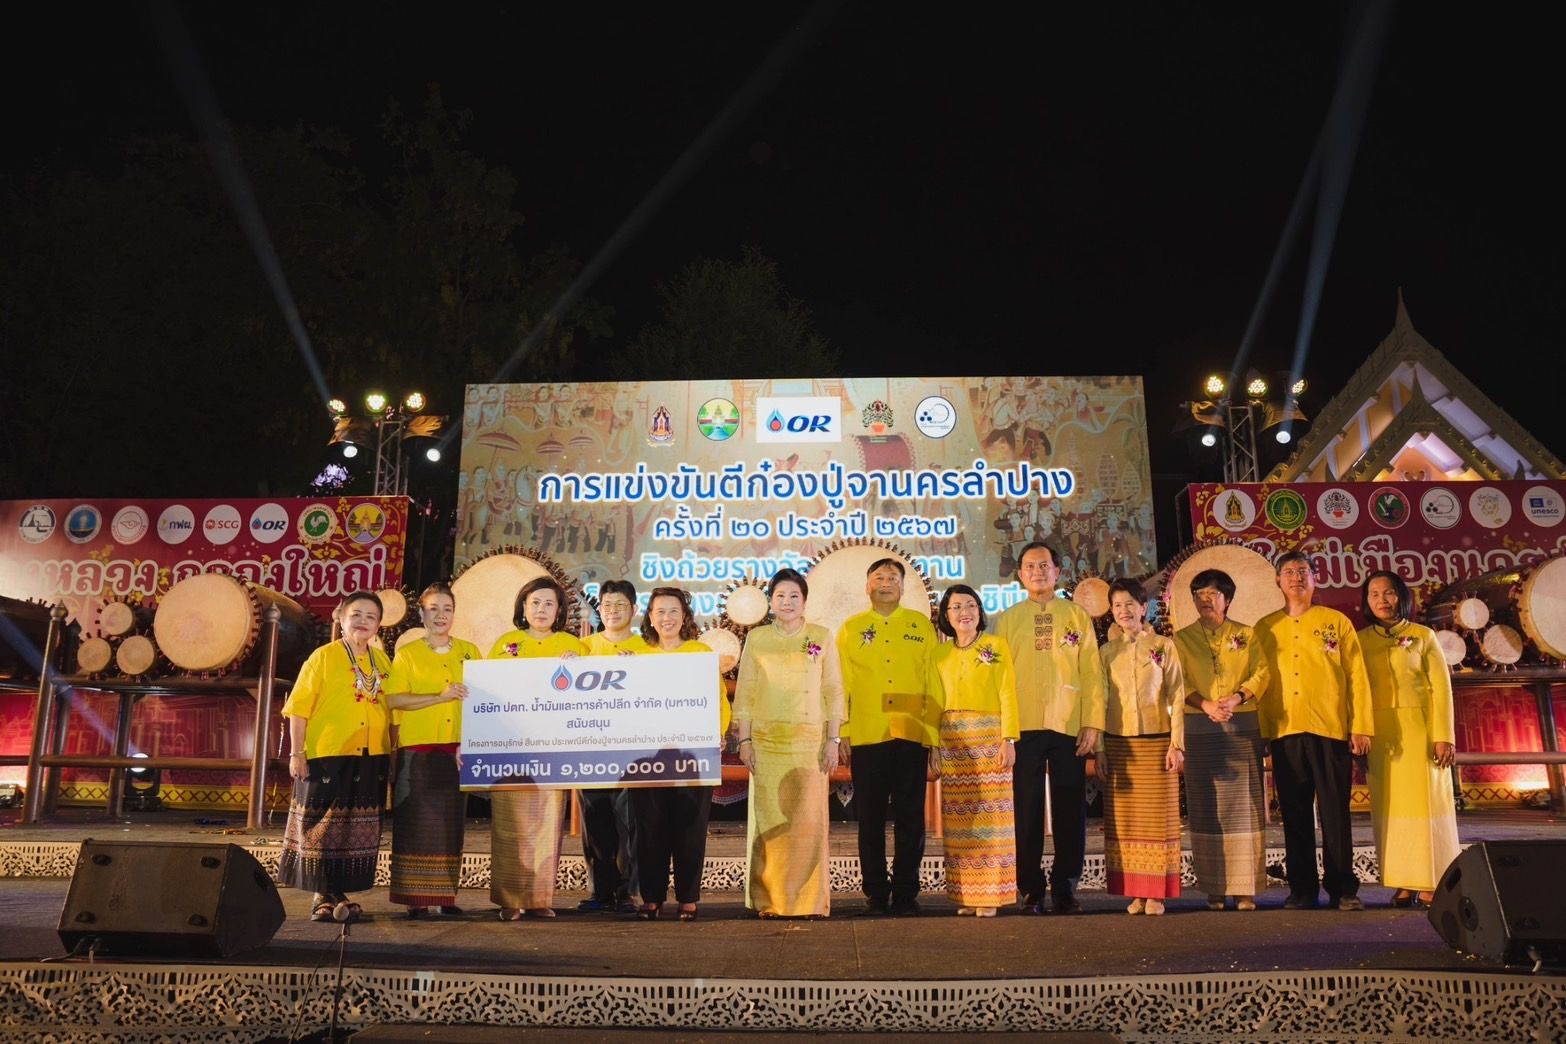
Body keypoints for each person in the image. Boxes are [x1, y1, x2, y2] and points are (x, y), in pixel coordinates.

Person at [1256, 550, 1374, 911]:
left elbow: (1356, 675)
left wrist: (1361, 725)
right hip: (1285, 729)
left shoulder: (1335, 622)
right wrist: (1261, 731)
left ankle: (1343, 888)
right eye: (1288, 572)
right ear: (1277, 580)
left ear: (1314, 578)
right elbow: (1258, 680)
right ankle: (1302, 889)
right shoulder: (1265, 627)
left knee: (1335, 813)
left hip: (1330, 727)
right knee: (1294, 813)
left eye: (1302, 571)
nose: (1295, 577)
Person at [995, 541, 1106, 915]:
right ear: (1020, 574)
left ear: (1058, 572)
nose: (1037, 572)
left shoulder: (1077, 616)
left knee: (1069, 807)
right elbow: (1001, 680)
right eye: (1030, 566)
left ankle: (1065, 886)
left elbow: (1092, 673)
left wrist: (1092, 722)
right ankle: (1029, 887)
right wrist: (1005, 730)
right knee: (1025, 808)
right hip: (1023, 725)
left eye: (1044, 566)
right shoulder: (1008, 619)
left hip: (1067, 722)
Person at [732, 568, 845, 918]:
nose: (787, 602)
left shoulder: (822, 636)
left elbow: (834, 690)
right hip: (766, 741)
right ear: (770, 601)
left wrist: (833, 739)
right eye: (780, 595)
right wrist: (746, 739)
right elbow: (747, 691)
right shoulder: (758, 638)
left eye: (794, 596)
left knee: (808, 823)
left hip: (809, 741)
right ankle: (769, 900)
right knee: (769, 821)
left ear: (805, 600)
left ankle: (809, 902)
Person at [836, 558, 943, 916]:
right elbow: (842, 685)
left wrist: (932, 737)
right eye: (878, 577)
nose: (886, 583)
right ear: (867, 586)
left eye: (893, 578)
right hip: (868, 734)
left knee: (911, 817)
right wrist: (844, 732)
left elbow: (933, 682)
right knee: (870, 817)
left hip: (911, 733)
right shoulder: (851, 628)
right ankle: (876, 891)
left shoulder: (920, 625)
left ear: (903, 586)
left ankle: (906, 890)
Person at [279, 591, 392, 922]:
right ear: (340, 618)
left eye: (370, 617)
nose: (362, 622)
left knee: (353, 828)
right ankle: (321, 897)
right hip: (327, 753)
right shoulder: (323, 657)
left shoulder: (381, 662)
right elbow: (298, 709)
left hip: (370, 755)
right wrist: (297, 753)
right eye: (356, 614)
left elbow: (394, 705)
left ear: (379, 625)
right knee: (322, 827)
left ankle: (338, 895)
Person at [1172, 568, 1270, 912]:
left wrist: (1237, 698)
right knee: (1204, 806)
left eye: (1213, 593)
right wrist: (1207, 704)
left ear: (1227, 599)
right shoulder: (1181, 640)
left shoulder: (1247, 634)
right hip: (1199, 726)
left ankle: (1245, 889)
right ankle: (1214, 887)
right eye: (1199, 594)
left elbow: (1262, 672)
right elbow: (1177, 681)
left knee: (1245, 808)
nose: (1205, 600)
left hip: (1241, 724)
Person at [488, 576, 586, 921]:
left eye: (549, 603)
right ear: (523, 608)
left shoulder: (573, 645)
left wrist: (579, 669)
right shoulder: (505, 643)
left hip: (552, 749)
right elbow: (489, 694)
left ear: (559, 610)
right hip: (510, 748)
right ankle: (510, 900)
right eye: (535, 603)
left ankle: (540, 898)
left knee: (547, 825)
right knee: (510, 825)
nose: (541, 609)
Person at [1358, 570, 1459, 907]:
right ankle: (1401, 881)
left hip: (1421, 731)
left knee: (1426, 808)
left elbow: (1441, 689)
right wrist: (1358, 729)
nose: (1382, 600)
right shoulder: (1359, 641)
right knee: (1390, 811)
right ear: (1367, 602)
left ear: (1401, 596)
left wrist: (1443, 736)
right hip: (1381, 735)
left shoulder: (1423, 635)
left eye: (1388, 593)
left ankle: (1431, 881)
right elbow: (1356, 691)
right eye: (1374, 594)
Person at [630, 586, 729, 922]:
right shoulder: (634, 653)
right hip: (645, 757)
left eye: (674, 611)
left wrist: (717, 733)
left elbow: (718, 699)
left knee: (690, 826)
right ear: (650, 617)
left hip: (693, 755)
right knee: (649, 828)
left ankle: (688, 898)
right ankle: (651, 898)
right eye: (660, 611)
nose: (667, 618)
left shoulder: (700, 652)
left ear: (685, 615)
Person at [385, 582, 482, 918]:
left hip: (457, 751)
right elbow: (394, 699)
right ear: (422, 613)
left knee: (451, 825)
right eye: (433, 609)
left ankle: (446, 897)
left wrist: (471, 743)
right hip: (418, 750)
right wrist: (438, 697)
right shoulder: (408, 654)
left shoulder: (470, 652)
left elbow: (483, 704)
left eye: (447, 609)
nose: (441, 616)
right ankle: (415, 900)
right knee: (415, 825)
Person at [929, 584, 1019, 916]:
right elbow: (932, 702)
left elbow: (1008, 693)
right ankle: (968, 894)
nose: (964, 612)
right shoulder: (938, 654)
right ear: (946, 615)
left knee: (992, 820)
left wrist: (1008, 738)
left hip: (990, 738)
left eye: (970, 605)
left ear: (979, 611)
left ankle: (992, 895)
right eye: (956, 607)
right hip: (952, 741)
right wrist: (932, 743)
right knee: (960, 821)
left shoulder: (996, 646)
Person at [1098, 579, 1186, 915]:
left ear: (1144, 607)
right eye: (1117, 605)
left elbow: (1177, 695)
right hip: (1120, 745)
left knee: (1157, 822)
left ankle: (1157, 893)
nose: (1124, 611)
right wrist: (1102, 749)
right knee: (1127, 822)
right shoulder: (1106, 652)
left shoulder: (1164, 646)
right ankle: (1135, 891)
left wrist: (1176, 744)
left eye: (1130, 604)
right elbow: (1101, 699)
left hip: (1156, 743)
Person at [576, 580, 647, 914]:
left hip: (634, 752)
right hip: (591, 749)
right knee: (595, 823)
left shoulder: (648, 648)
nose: (613, 611)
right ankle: (600, 892)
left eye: (621, 605)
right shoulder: (582, 649)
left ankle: (630, 892)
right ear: (599, 609)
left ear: (634, 610)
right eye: (607, 605)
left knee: (632, 823)